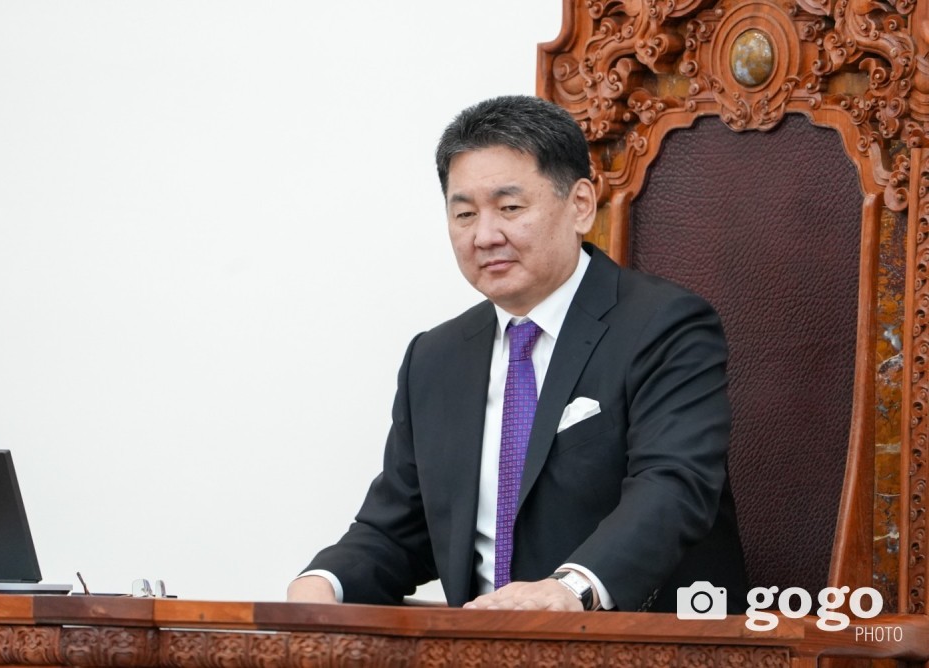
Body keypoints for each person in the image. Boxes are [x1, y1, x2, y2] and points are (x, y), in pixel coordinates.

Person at [287, 95, 747, 613]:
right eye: (464, 214)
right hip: (480, 642)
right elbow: (399, 528)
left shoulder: (664, 326)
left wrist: (570, 590)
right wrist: (323, 582)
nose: (485, 236)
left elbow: (673, 487)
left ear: (580, 205)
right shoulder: (435, 358)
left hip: (641, 637)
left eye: (509, 208)